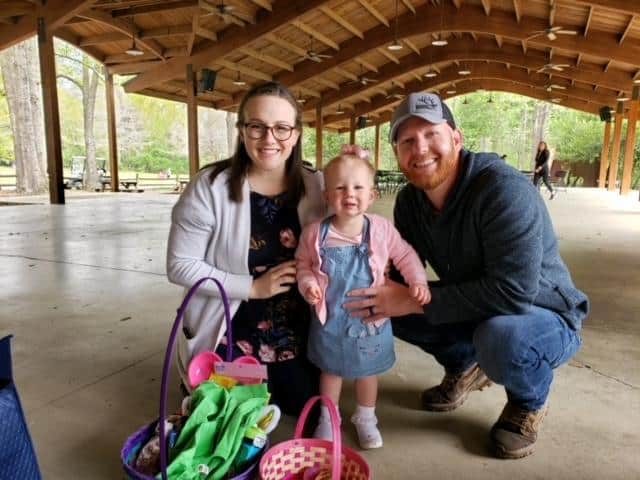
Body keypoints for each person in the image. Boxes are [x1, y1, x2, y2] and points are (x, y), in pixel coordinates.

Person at [344, 92, 589, 459]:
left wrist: (410, 300)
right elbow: (397, 272)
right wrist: (351, 190)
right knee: (374, 301)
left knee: (501, 338)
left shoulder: (503, 191)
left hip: (541, 314)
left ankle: (528, 403)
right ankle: (464, 366)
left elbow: (514, 293)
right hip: (476, 302)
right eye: (407, 141)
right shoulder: (411, 201)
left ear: (456, 139)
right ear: (396, 153)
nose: (420, 148)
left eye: (431, 134)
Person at [166, 81, 326, 416]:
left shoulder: (316, 185)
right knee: (234, 417)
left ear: (296, 134)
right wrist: (252, 288)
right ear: (242, 131)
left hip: (297, 333)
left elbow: (354, 227)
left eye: (281, 128)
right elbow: (180, 265)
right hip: (231, 329)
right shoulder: (210, 187)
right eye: (257, 127)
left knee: (304, 408)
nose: (269, 139)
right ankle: (208, 372)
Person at [296, 153, 429, 449]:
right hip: (330, 319)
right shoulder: (315, 233)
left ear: (372, 195)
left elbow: (405, 254)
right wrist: (308, 284)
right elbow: (303, 264)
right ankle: (328, 418)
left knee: (368, 373)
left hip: (371, 318)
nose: (349, 194)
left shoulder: (381, 229)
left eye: (358, 187)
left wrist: (417, 281)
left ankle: (366, 417)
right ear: (327, 196)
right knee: (330, 371)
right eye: (340, 187)